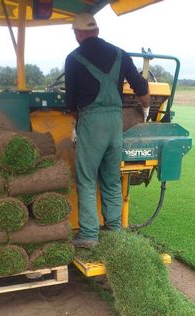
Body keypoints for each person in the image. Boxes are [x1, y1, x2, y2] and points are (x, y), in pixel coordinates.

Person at [65, 13, 150, 249]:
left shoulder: (73, 58)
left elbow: (71, 102)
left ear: (78, 33)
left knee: (86, 179)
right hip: (116, 121)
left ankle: (89, 235)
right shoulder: (120, 54)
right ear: (97, 31)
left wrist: (79, 121)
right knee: (112, 180)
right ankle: (115, 233)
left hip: (91, 121)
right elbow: (141, 87)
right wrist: (146, 107)